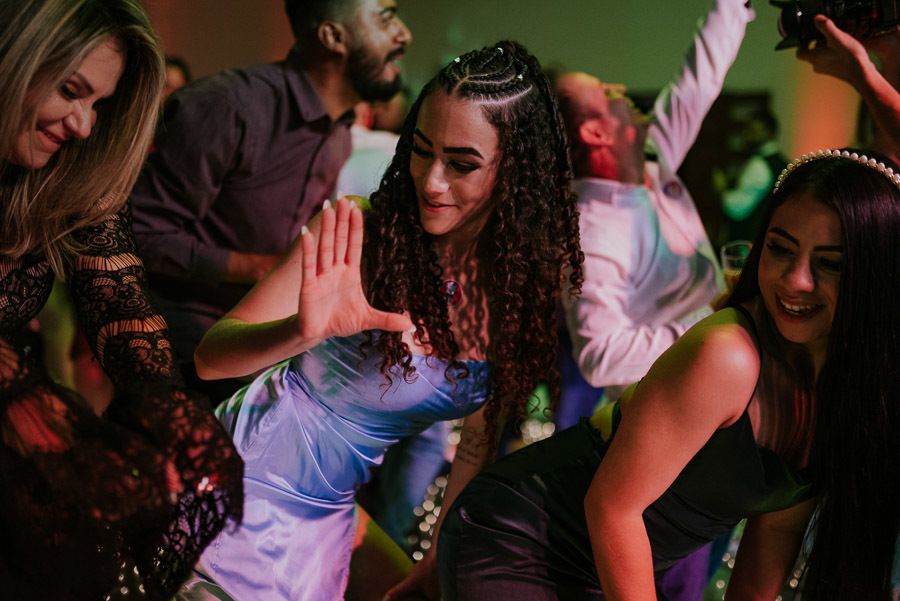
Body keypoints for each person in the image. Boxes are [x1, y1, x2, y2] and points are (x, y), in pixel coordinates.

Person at [176, 40, 582, 601]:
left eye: (461, 164)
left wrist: (441, 554)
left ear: (516, 171)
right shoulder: (360, 233)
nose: (431, 180)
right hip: (245, 481)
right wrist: (302, 332)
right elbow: (210, 357)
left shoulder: (517, 283)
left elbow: (476, 442)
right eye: (420, 150)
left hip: (332, 510)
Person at [438, 148, 900, 601]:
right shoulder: (728, 355)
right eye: (780, 249)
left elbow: (776, 531)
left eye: (830, 263)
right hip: (517, 541)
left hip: (608, 563)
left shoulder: (853, 386)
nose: (795, 280)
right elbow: (613, 508)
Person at [0, 1, 243, 599]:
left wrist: (165, 408)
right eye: (70, 90)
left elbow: (119, 303)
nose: (83, 124)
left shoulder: (63, 175)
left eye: (99, 105)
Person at [129, 0, 412, 400]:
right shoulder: (228, 107)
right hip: (181, 350)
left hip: (263, 349)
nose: (405, 33)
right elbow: (136, 232)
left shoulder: (340, 133)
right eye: (386, 17)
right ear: (333, 36)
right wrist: (258, 268)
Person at [714, 108, 787, 242]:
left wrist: (722, 188)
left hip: (750, 241)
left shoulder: (759, 164)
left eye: (752, 129)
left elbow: (737, 208)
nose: (747, 134)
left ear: (768, 131)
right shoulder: (782, 162)